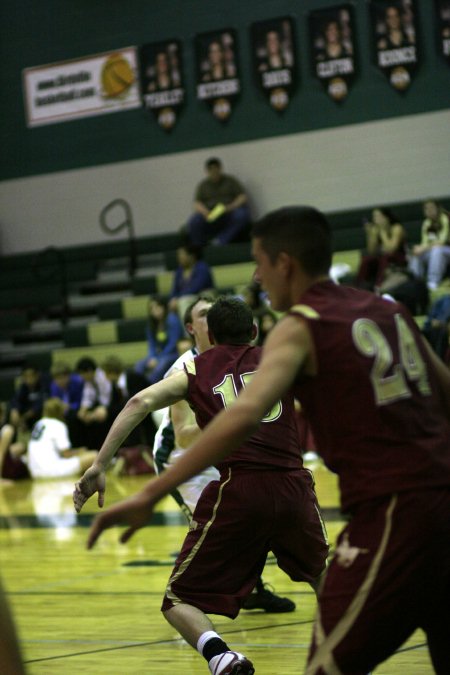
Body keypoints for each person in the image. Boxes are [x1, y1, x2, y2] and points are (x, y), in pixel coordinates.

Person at [81, 205, 450, 674]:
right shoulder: (391, 310)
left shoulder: (301, 325)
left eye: (258, 261)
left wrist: (151, 493)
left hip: (396, 508)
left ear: (284, 263)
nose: (256, 276)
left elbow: (243, 417)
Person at [74, 296, 329, 675]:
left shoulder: (195, 369)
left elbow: (139, 401)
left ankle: (222, 656)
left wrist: (99, 464)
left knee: (177, 599)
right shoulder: (278, 359)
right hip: (294, 486)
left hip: (239, 488)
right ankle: (357, 654)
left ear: (208, 333)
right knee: (326, 580)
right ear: (256, 332)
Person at [154, 294, 296, 613]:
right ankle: (188, 596)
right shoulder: (183, 369)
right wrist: (231, 419)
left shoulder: (241, 359)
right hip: (183, 461)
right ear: (192, 328)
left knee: (247, 517)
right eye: (203, 314)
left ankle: (245, 589)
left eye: (212, 312)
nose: (210, 316)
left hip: (223, 452)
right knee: (213, 528)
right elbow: (184, 437)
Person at [186, 158, 251, 247]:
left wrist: (231, 207)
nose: (214, 172)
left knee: (242, 214)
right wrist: (205, 212)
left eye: (216, 169)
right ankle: (198, 247)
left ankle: (220, 240)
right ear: (207, 171)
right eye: (211, 170)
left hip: (228, 212)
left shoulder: (230, 181)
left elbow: (242, 197)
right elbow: (197, 203)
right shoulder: (203, 185)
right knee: (194, 221)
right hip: (211, 214)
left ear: (220, 168)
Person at [28, 398, 97, 479]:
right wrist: (80, 451)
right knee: (94, 455)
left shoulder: (38, 423)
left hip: (34, 473)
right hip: (51, 471)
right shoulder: (58, 424)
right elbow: (66, 454)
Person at [134, 296, 184, 384]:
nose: (155, 310)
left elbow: (173, 343)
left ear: (163, 307)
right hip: (159, 355)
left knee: (161, 365)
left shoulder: (172, 319)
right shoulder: (151, 325)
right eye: (152, 308)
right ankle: (137, 387)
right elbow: (152, 344)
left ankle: (148, 386)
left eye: (157, 307)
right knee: (139, 365)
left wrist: (158, 358)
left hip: (173, 354)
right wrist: (152, 357)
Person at [357, 207, 407, 289]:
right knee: (366, 259)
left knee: (385, 258)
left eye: (378, 216)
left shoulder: (396, 228)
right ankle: (359, 285)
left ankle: (378, 285)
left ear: (387, 218)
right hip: (381, 257)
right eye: (374, 217)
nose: (376, 219)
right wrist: (370, 235)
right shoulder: (376, 229)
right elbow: (371, 251)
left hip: (398, 258)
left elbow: (391, 249)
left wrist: (382, 232)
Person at [408, 199, 450, 291]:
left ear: (438, 208)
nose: (429, 211)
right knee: (417, 254)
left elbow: (442, 241)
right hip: (434, 250)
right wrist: (419, 249)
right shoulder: (426, 223)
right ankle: (415, 283)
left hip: (446, 249)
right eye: (426, 209)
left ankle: (433, 282)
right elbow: (425, 242)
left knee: (437, 250)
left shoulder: (445, 218)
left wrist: (424, 248)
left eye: (431, 208)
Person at [168, 244, 215, 321]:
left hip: (203, 297)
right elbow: (174, 290)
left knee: (183, 302)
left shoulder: (202, 267)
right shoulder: (179, 271)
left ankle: (190, 332)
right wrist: (173, 299)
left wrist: (178, 298)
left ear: (191, 256)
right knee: (172, 313)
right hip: (185, 299)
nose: (179, 257)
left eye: (181, 254)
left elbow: (196, 287)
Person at [8, 363, 51, 437]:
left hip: (39, 414)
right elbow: (16, 399)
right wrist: (14, 410)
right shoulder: (24, 386)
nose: (28, 379)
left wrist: (23, 418)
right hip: (26, 416)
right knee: (11, 413)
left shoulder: (45, 383)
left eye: (31, 376)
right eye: (26, 377)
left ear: (37, 375)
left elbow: (41, 402)